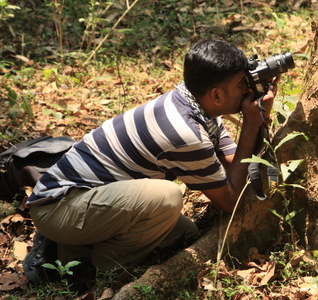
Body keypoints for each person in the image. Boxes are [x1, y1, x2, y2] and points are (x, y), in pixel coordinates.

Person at [23, 39, 279, 284]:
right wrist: (251, 126)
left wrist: (259, 116)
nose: (247, 89)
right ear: (216, 95)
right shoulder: (185, 133)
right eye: (240, 84)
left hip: (85, 196)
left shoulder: (194, 107)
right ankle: (100, 270)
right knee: (167, 197)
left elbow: (236, 166)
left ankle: (71, 249)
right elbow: (231, 200)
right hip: (60, 206)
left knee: (185, 233)